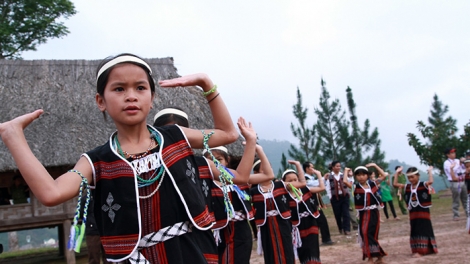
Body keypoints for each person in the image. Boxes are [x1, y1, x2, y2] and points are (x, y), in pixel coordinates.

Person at [0, 53, 243, 263]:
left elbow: (228, 133)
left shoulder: (176, 136)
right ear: (100, 101)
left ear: (152, 98)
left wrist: (206, 85)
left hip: (192, 252)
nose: (131, 96)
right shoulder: (96, 161)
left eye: (140, 88)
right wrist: (13, 137)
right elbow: (51, 193)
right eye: (119, 89)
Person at [250, 159, 304, 264]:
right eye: (263, 168)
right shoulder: (253, 191)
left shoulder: (281, 185)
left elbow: (302, 183)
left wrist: (298, 164)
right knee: (270, 251)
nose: (267, 170)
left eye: (269, 167)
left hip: (283, 224)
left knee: (286, 249)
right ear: (256, 173)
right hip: (266, 226)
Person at [344, 164, 387, 264]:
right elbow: (345, 181)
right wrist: (346, 171)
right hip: (363, 213)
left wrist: (375, 165)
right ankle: (372, 257)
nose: (361, 177)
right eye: (358, 175)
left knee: (372, 234)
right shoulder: (355, 187)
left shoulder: (373, 184)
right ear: (355, 177)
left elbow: (384, 175)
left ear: (367, 175)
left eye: (363, 174)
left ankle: (378, 257)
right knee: (364, 234)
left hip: (374, 213)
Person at [394, 166, 438, 258]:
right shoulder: (407, 186)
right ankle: (418, 249)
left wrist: (430, 171)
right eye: (409, 177)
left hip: (423, 211)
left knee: (424, 228)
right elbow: (395, 184)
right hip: (413, 213)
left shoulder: (423, 184)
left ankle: (425, 249)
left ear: (418, 176)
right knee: (415, 229)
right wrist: (396, 174)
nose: (411, 179)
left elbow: (431, 181)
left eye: (412, 177)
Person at [283, 165, 324, 264]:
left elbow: (321, 188)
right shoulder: (284, 196)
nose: (293, 182)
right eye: (290, 180)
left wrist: (318, 175)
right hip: (297, 226)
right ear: (284, 182)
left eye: (295, 179)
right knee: (302, 248)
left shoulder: (305, 189)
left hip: (311, 222)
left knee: (313, 247)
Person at [302, 162, 333, 246]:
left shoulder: (311, 178)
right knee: (319, 221)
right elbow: (317, 185)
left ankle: (325, 239)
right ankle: (324, 239)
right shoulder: (305, 179)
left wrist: (324, 179)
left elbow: (321, 185)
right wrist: (320, 176)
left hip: (315, 203)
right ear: (307, 169)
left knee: (321, 221)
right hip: (310, 204)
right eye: (312, 167)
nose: (313, 169)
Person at [324, 161, 351, 235]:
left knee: (346, 212)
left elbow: (350, 183)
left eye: (339, 166)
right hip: (335, 197)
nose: (339, 167)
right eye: (337, 166)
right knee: (337, 214)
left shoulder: (343, 175)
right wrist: (330, 197)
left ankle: (347, 229)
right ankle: (340, 227)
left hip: (344, 196)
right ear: (333, 167)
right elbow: (328, 187)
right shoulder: (329, 176)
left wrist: (350, 176)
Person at [443, 148, 467, 221]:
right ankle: (456, 215)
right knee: (456, 199)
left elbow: (464, 169)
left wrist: (464, 162)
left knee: (465, 198)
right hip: (454, 182)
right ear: (448, 155)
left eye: (454, 153)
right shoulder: (446, 163)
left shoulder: (457, 161)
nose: (454, 154)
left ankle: (468, 213)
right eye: (452, 153)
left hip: (462, 181)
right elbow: (452, 171)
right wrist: (458, 165)